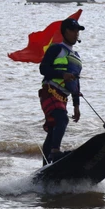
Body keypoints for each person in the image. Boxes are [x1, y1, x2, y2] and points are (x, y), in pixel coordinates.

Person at [38, 17, 84, 164]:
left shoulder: (76, 57)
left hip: (63, 97)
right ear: (65, 32)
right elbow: (43, 69)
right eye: (73, 30)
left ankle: (46, 165)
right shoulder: (56, 49)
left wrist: (76, 106)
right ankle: (55, 152)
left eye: (78, 31)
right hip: (50, 91)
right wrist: (62, 74)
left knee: (53, 129)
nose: (76, 34)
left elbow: (76, 83)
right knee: (62, 119)